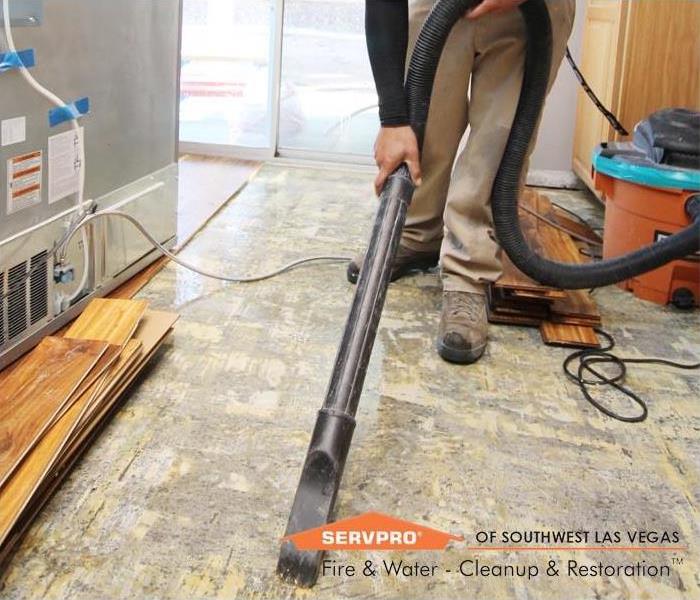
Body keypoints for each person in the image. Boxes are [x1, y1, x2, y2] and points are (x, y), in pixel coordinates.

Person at [351, 0, 575, 364]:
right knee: (423, 126)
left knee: (496, 145)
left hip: (532, 11)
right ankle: (415, 235)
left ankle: (468, 272)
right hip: (437, 5)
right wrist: (392, 119)